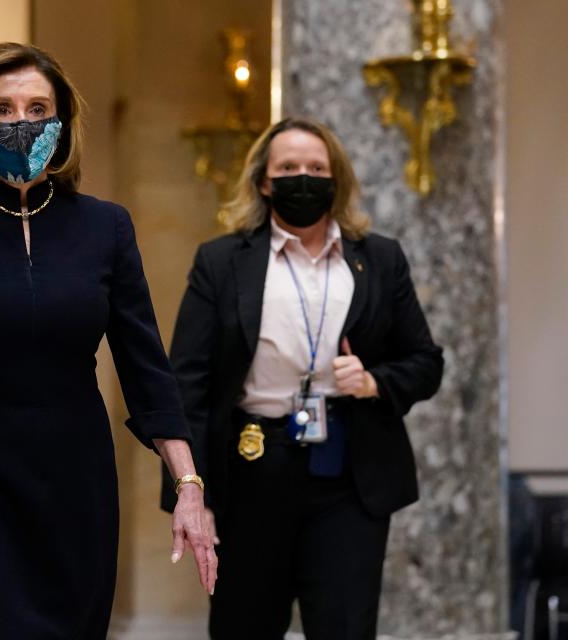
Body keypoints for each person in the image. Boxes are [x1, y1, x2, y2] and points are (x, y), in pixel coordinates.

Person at [0, 42, 217, 638]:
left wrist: (188, 485)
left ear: (60, 127)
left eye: (37, 108)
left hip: (75, 482)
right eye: (1, 109)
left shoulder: (105, 226)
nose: (19, 122)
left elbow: (146, 367)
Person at [161, 117, 444, 639]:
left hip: (348, 478)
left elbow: (426, 362)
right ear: (264, 182)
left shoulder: (379, 258)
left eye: (316, 168)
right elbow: (187, 384)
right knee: (244, 625)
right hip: (249, 472)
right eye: (288, 168)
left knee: (343, 626)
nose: (303, 178)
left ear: (336, 179)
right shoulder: (221, 262)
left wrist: (374, 380)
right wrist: (192, 492)